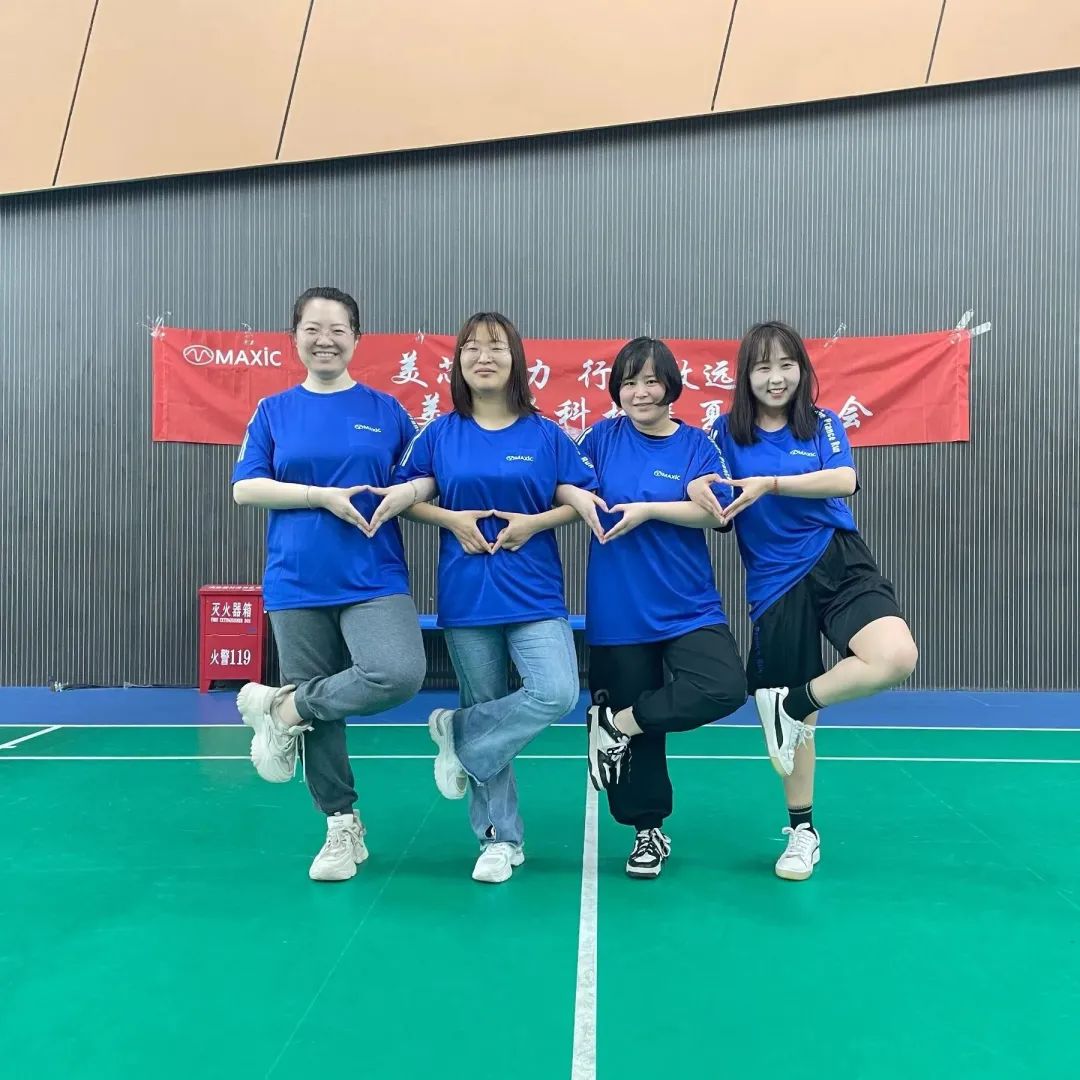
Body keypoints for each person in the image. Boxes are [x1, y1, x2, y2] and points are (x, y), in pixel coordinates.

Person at [367, 312, 603, 884]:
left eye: (496, 347)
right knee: (486, 701)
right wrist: (451, 519)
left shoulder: (546, 434)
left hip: (535, 593)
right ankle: (498, 838)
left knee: (556, 691)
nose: (484, 357)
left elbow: (580, 495)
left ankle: (460, 734)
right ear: (459, 363)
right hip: (468, 595)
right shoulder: (440, 433)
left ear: (516, 360)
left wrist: (534, 523)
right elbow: (410, 494)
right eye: (471, 348)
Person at [689, 320, 918, 881]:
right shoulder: (723, 433)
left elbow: (843, 479)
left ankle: (790, 703)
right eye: (763, 367)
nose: (776, 377)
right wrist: (697, 488)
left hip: (838, 558)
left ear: (802, 371)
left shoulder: (821, 423)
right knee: (802, 731)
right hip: (775, 581)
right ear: (745, 375)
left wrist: (770, 483)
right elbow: (703, 484)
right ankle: (802, 832)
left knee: (895, 656)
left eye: (786, 365)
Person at [231, 286, 426, 883]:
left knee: (397, 672)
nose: (325, 340)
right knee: (325, 717)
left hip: (374, 576)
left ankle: (283, 706)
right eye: (312, 329)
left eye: (338, 329)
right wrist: (320, 497)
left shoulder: (387, 411)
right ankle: (340, 824)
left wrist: (408, 493)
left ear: (356, 339)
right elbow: (246, 487)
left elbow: (423, 479)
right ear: (294, 338)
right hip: (296, 581)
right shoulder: (273, 411)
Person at [579, 337, 747, 879]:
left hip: (688, 605)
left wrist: (650, 509)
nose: (640, 393)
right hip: (619, 609)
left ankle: (617, 724)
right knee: (643, 745)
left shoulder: (698, 445)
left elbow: (718, 513)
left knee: (724, 686)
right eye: (629, 382)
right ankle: (646, 831)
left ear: (670, 385)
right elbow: (568, 490)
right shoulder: (600, 439)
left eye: (651, 381)